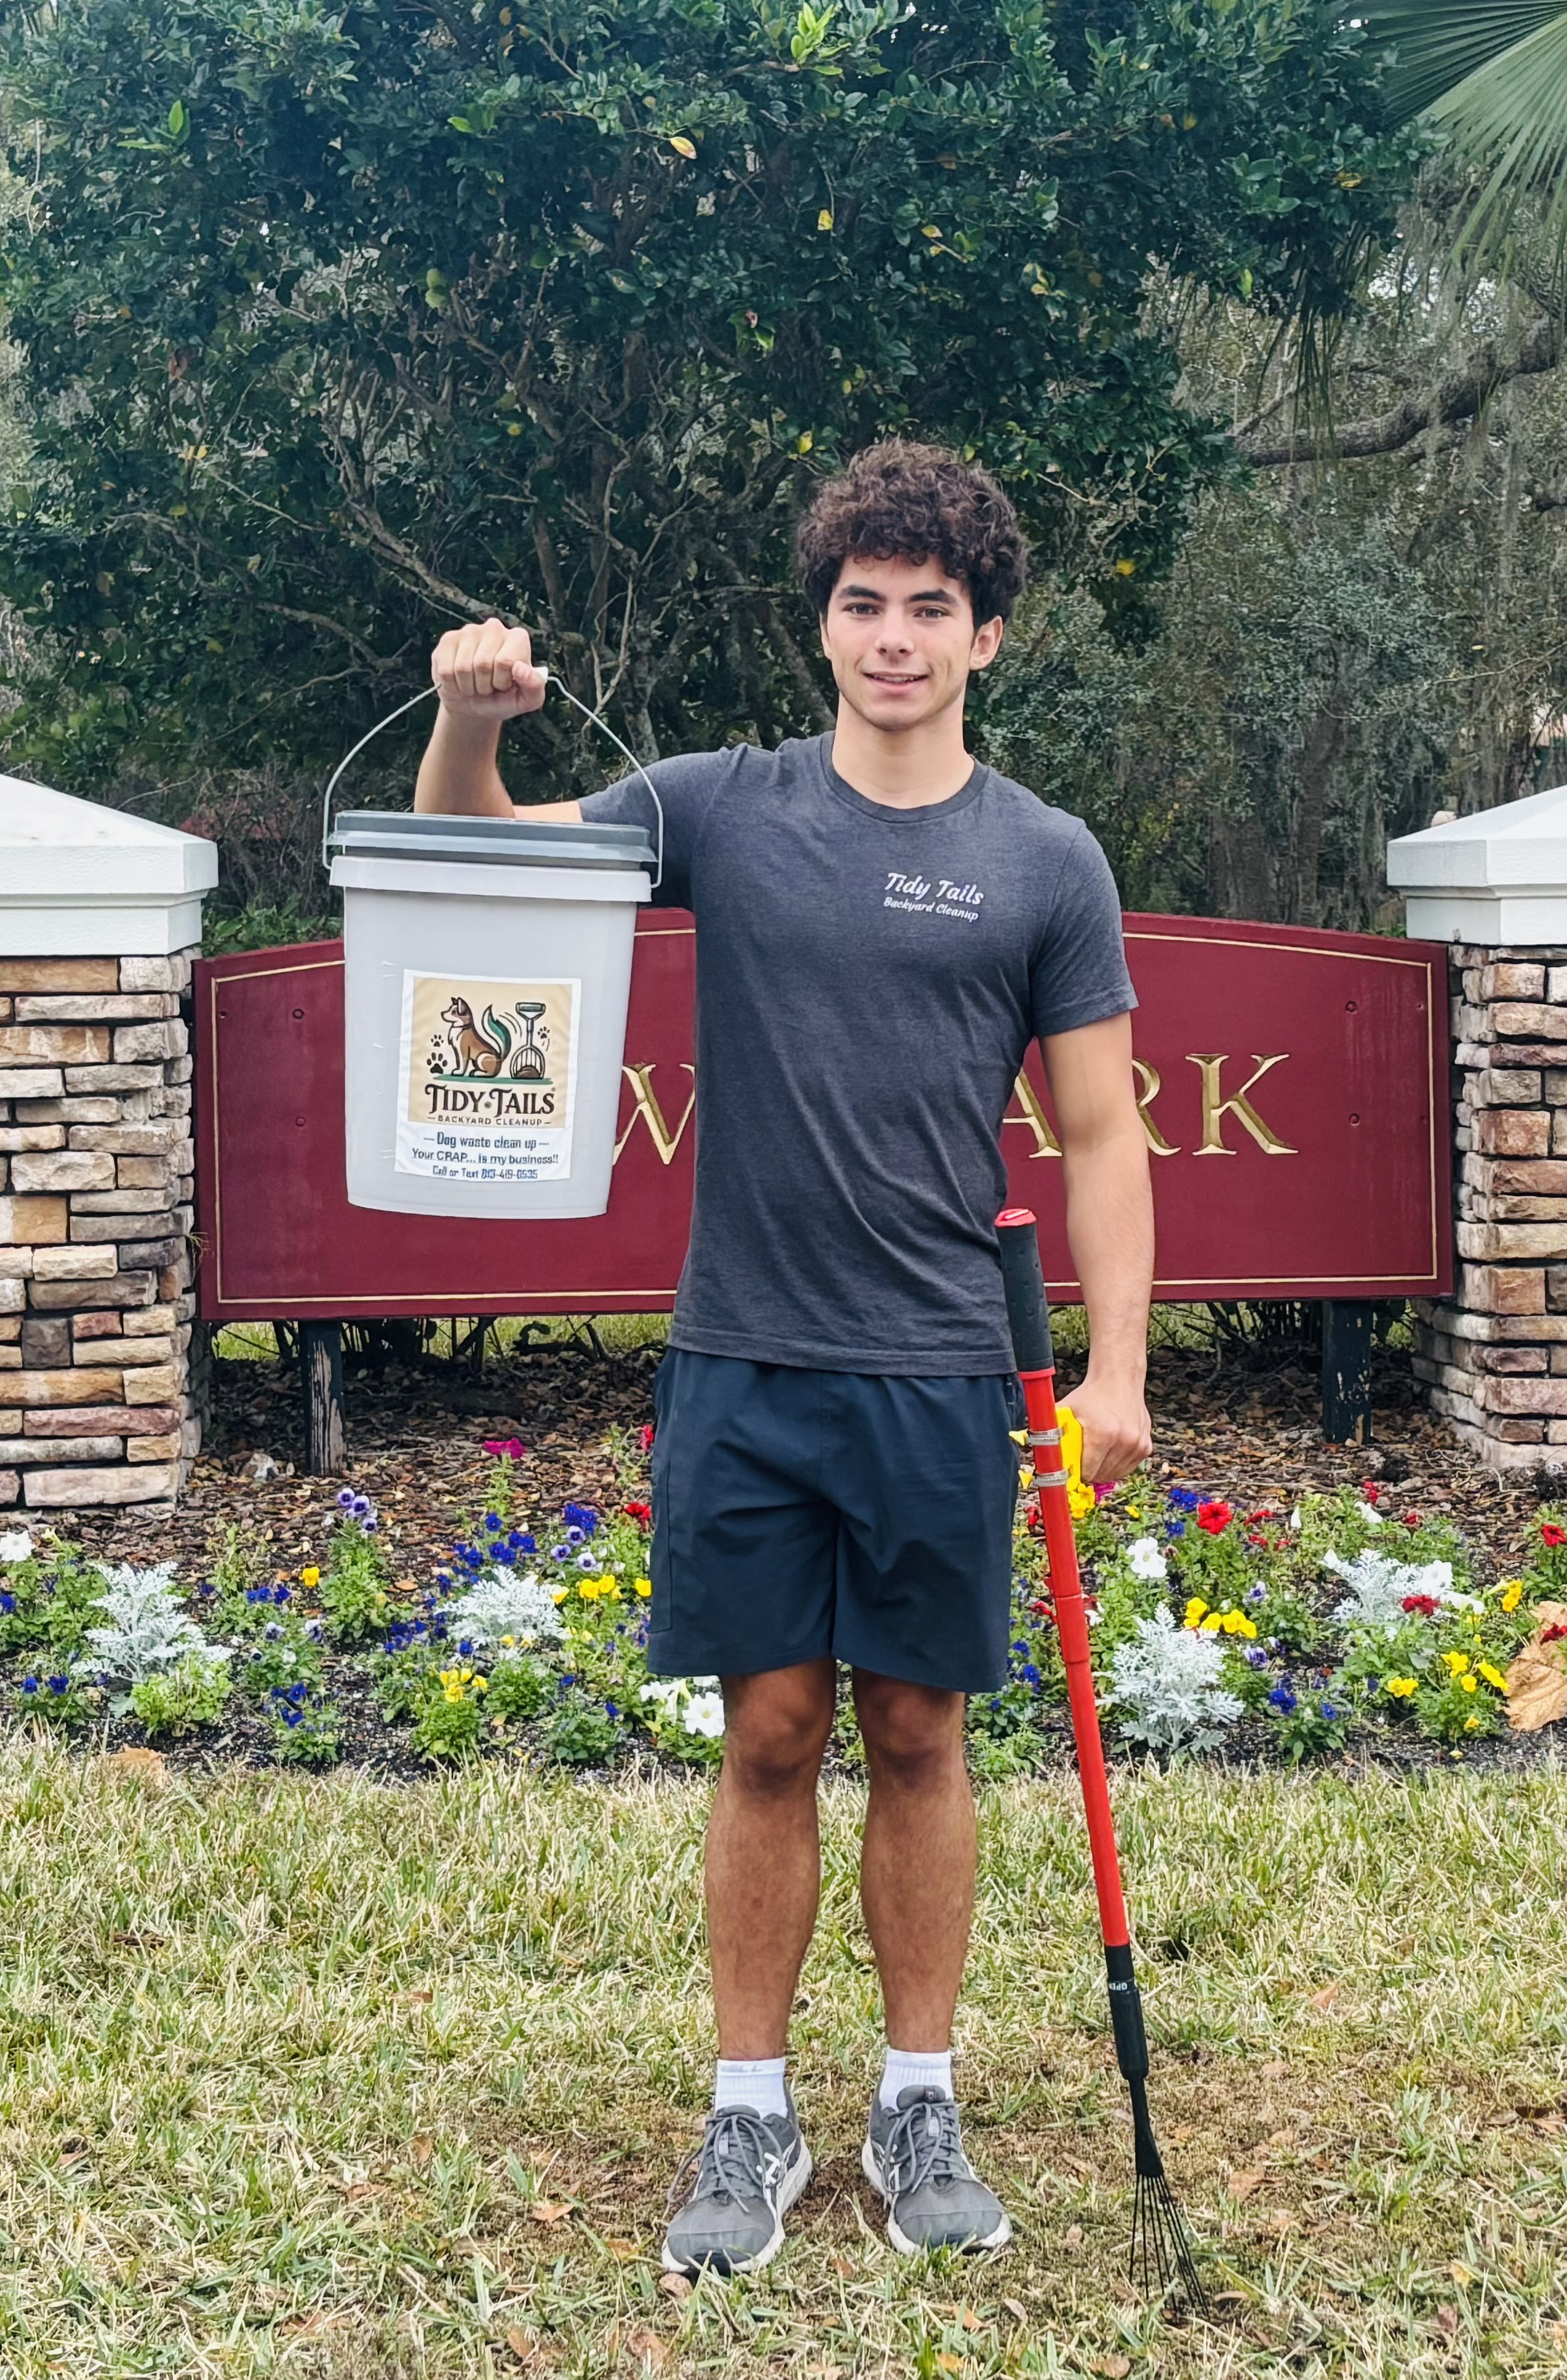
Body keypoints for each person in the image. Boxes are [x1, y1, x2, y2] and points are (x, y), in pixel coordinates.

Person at [412, 441, 1154, 2274]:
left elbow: (1105, 1132)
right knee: (769, 1729)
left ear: (988, 634)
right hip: (743, 1353)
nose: (892, 638)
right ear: (822, 620)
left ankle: (919, 2095)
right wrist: (465, 722)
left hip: (935, 1370)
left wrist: (1117, 1367)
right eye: (861, 602)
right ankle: (751, 2112)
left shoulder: (1045, 860)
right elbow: (477, 854)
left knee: (917, 1726)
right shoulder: (718, 808)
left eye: (929, 608)